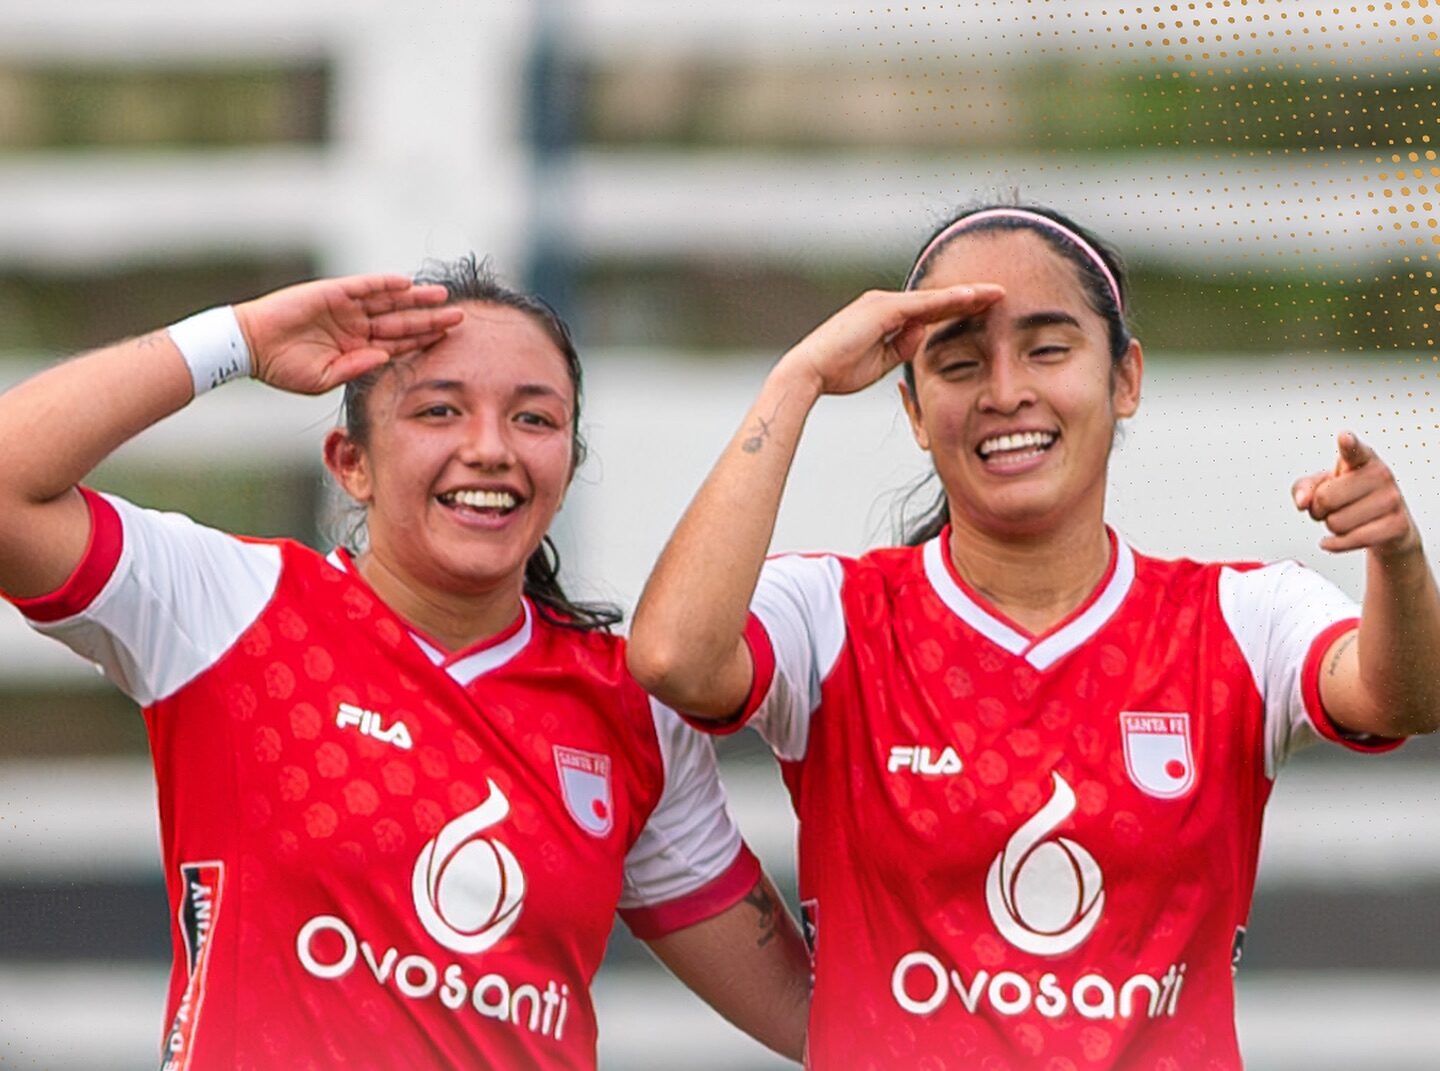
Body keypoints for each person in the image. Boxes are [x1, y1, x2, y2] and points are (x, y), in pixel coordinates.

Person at [626, 203, 1440, 1070]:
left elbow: (1404, 695)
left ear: (1126, 377)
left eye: (1048, 350)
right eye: (959, 362)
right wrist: (796, 382)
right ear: (911, 408)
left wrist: (1396, 552)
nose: (1005, 391)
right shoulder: (832, 612)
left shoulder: (1243, 616)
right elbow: (675, 656)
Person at [0, 259, 810, 1070]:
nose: (489, 449)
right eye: (439, 410)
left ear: (566, 468)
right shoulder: (235, 606)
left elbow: (811, 1014)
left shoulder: (631, 707)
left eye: (534, 419)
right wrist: (237, 339)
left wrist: (797, 381)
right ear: (351, 462)